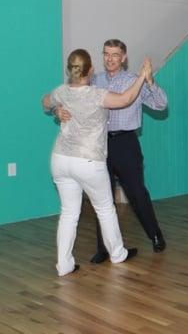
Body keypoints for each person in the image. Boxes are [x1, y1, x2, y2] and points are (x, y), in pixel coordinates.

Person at [56, 39, 168, 263]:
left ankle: (155, 236)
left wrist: (150, 80)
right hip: (97, 145)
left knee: (137, 193)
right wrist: (59, 110)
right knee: (101, 197)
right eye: (106, 54)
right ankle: (104, 249)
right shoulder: (92, 80)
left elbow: (161, 104)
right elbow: (68, 99)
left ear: (124, 57)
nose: (110, 59)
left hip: (125, 143)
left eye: (115, 54)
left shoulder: (133, 81)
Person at [42, 49, 152, 276]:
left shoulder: (61, 91)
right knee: (105, 208)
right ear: (90, 70)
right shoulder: (96, 94)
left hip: (60, 159)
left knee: (69, 213)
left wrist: (56, 108)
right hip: (88, 160)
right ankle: (118, 253)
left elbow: (44, 102)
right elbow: (125, 99)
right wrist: (143, 75)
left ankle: (64, 265)